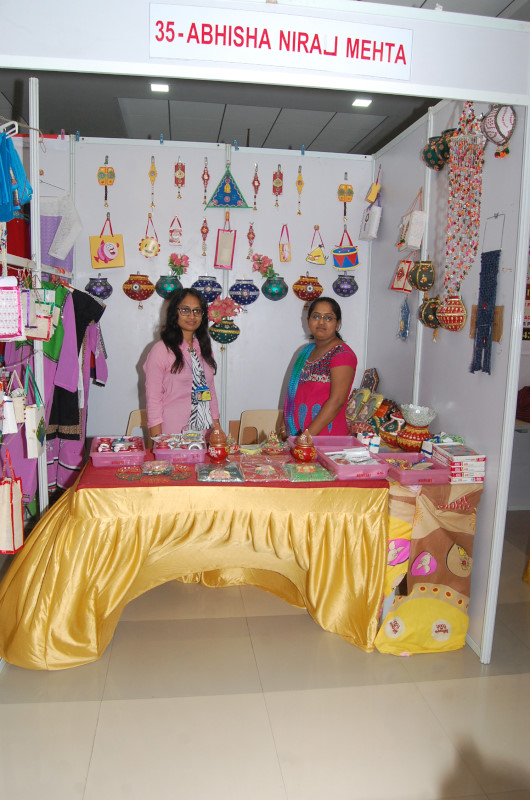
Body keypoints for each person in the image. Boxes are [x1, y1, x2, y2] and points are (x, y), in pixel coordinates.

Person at [143, 287, 220, 438]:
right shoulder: (161, 350)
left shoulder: (204, 349)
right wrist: (159, 441)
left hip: (204, 433)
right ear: (174, 313)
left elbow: (210, 392)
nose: (192, 316)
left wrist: (217, 430)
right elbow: (153, 399)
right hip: (173, 435)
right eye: (185, 310)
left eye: (197, 311)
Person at [283, 296, 357, 437]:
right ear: (308, 321)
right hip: (298, 435)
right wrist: (284, 426)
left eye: (328, 318)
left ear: (338, 323)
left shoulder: (342, 354)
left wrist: (306, 437)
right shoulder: (305, 352)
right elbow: (293, 394)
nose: (321, 322)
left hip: (326, 439)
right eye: (316, 316)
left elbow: (337, 401)